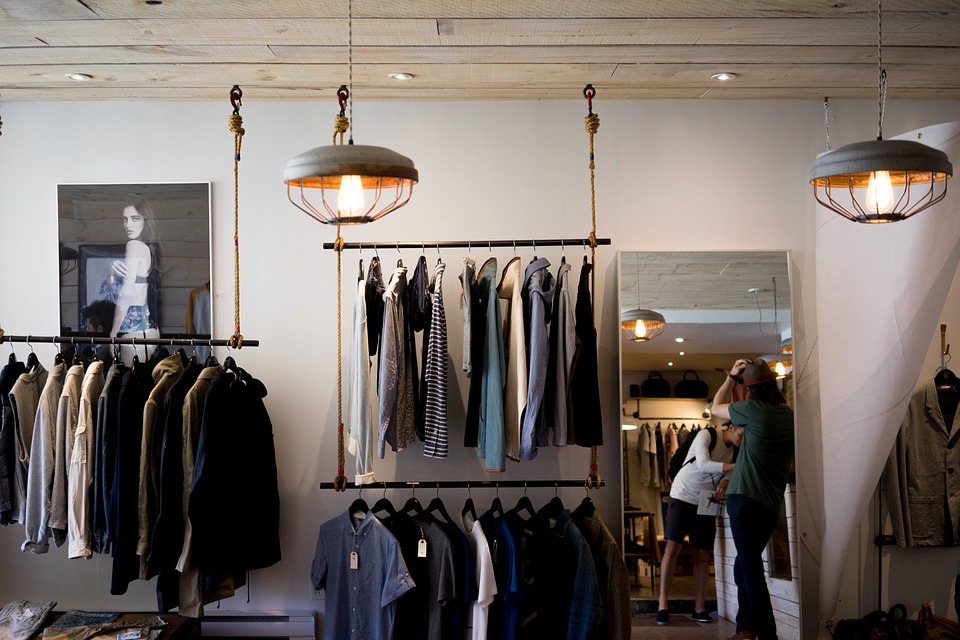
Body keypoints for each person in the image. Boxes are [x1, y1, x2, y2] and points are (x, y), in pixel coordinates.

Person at [711, 358, 795, 640]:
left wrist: (731, 376)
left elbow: (715, 407)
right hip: (770, 504)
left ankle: (767, 634)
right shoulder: (789, 415)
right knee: (743, 565)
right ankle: (746, 628)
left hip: (744, 498)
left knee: (750, 570)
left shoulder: (751, 409)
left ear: (750, 390)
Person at [657, 421, 743, 626]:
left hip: (707, 499)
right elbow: (703, 464)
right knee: (672, 547)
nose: (743, 437)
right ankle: (662, 604)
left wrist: (725, 480)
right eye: (742, 432)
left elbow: (728, 475)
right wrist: (734, 467)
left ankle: (699, 608)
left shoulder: (737, 451)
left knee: (703, 554)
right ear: (731, 427)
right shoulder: (706, 435)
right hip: (683, 493)